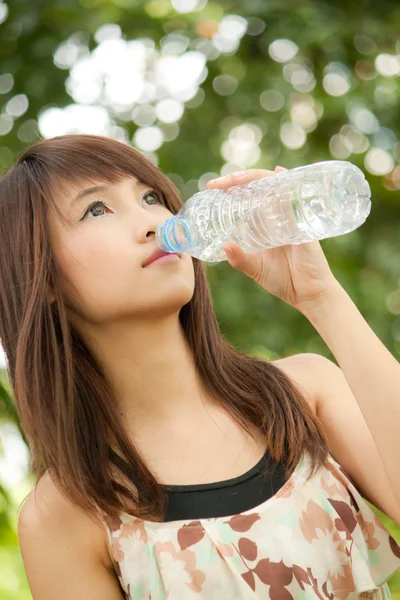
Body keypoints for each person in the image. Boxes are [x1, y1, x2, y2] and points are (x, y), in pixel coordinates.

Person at [2, 133, 399, 599]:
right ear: (43, 278)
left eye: (150, 196)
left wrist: (321, 299)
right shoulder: (66, 515)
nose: (152, 221)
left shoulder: (304, 393)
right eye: (96, 209)